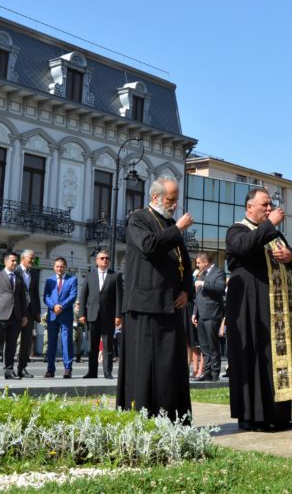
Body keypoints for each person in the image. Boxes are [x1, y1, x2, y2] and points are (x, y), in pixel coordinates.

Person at [116, 178, 194, 423]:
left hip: (171, 304)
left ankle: (173, 416)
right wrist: (178, 229)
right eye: (170, 200)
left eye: (175, 199)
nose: (174, 204)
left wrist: (186, 290)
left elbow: (185, 263)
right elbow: (149, 247)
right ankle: (145, 416)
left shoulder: (170, 223)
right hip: (145, 306)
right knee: (147, 366)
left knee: (171, 367)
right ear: (155, 198)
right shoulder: (138, 219)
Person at [225, 186, 292, 431]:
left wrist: (291, 256)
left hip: (275, 309)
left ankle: (277, 415)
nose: (269, 209)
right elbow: (245, 247)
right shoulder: (237, 229)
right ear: (249, 207)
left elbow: (290, 258)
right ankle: (253, 416)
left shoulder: (275, 235)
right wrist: (270, 225)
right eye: (264, 205)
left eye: (270, 205)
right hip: (249, 308)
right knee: (253, 359)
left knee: (273, 359)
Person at [79, 249, 121, 379]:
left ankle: (107, 372)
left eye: (107, 258)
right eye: (102, 258)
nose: (105, 260)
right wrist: (82, 314)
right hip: (92, 315)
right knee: (92, 346)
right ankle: (92, 371)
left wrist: (118, 316)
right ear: (96, 261)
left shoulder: (115, 276)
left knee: (108, 346)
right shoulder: (90, 276)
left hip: (108, 316)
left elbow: (120, 297)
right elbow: (83, 296)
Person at [0, 251, 28, 380]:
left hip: (16, 316)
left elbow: (22, 299)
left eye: (16, 261)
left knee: (11, 346)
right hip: (1, 315)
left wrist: (24, 316)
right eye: (12, 261)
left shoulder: (19, 278)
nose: (15, 263)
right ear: (6, 262)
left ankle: (9, 371)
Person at [191, 252, 225, 381]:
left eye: (199, 263)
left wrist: (203, 284)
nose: (197, 266)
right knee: (204, 346)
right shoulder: (202, 274)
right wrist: (194, 312)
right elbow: (198, 295)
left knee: (212, 345)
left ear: (206, 262)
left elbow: (220, 288)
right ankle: (207, 373)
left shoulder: (218, 272)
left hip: (212, 313)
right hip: (201, 314)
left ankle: (215, 374)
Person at [44, 257, 78, 378]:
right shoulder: (49, 280)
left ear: (65, 267)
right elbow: (46, 297)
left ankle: (68, 369)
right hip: (52, 315)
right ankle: (50, 369)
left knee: (66, 342)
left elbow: (73, 296)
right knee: (51, 342)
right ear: (54, 267)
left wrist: (61, 306)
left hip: (66, 315)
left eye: (61, 266)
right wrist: (54, 307)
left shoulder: (72, 279)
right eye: (57, 266)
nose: (59, 268)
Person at [15, 249, 41, 378]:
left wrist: (37, 312)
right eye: (31, 258)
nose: (33, 260)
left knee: (26, 342)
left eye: (33, 258)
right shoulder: (15, 270)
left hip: (30, 311)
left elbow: (36, 292)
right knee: (11, 340)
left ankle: (22, 368)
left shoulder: (34, 273)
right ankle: (8, 368)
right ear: (23, 258)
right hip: (16, 311)